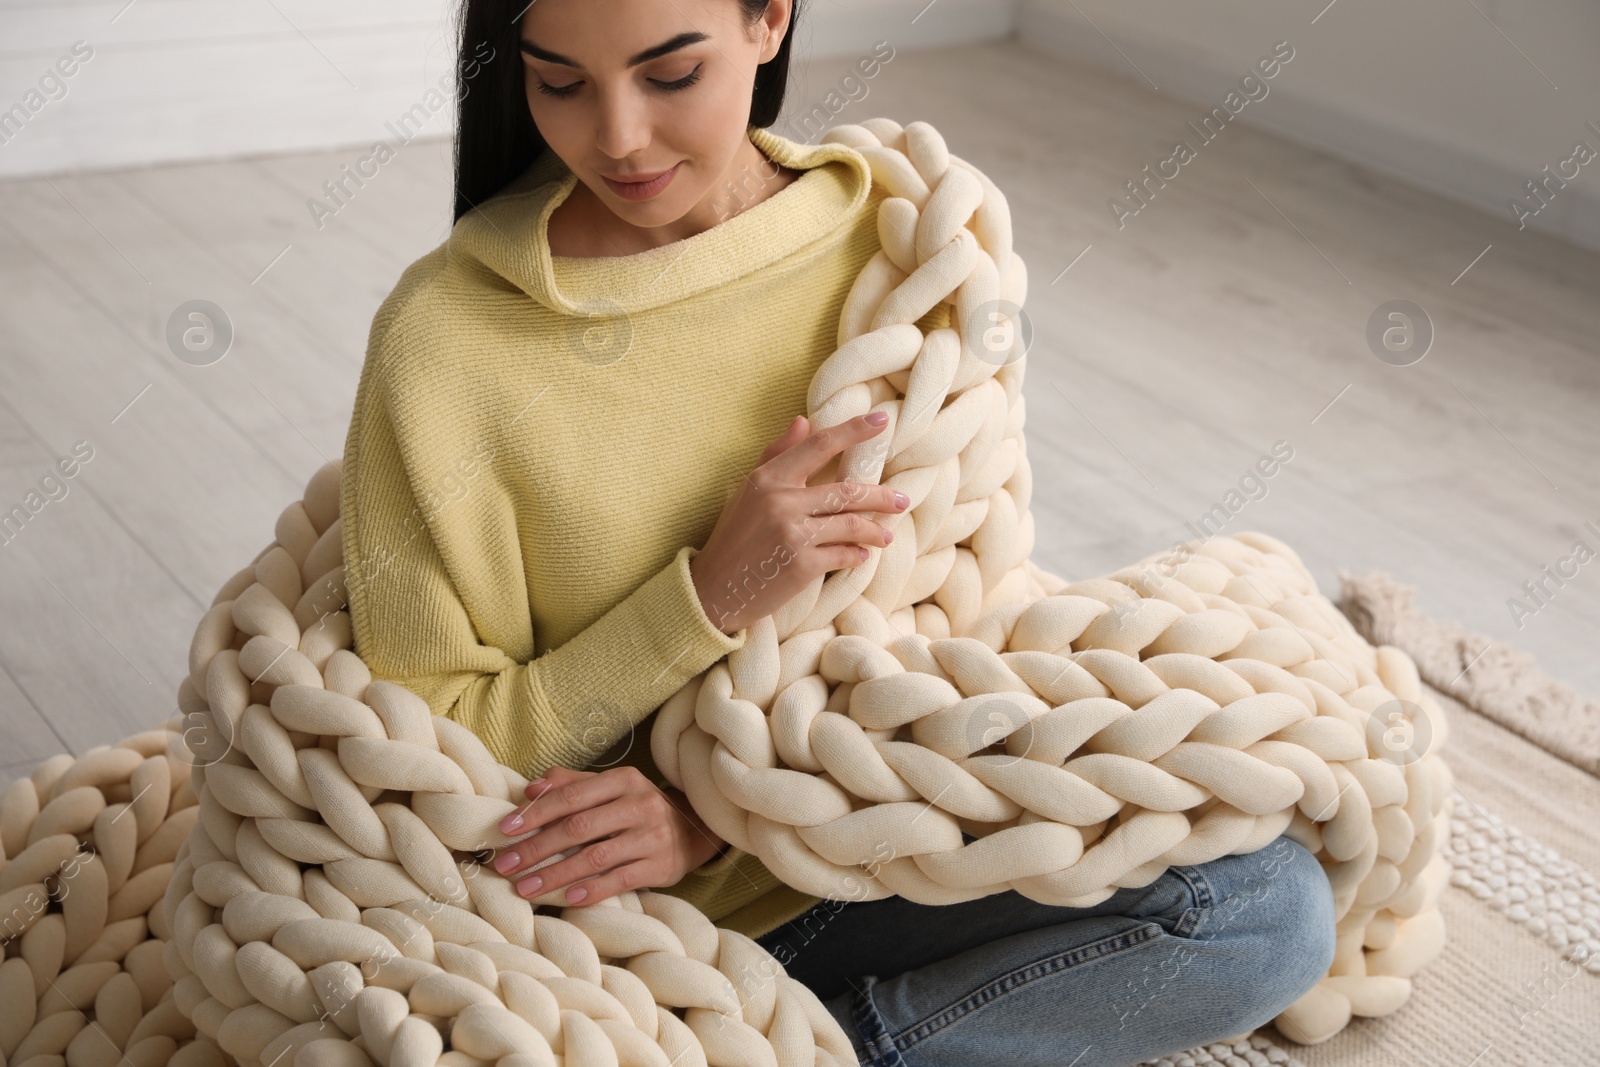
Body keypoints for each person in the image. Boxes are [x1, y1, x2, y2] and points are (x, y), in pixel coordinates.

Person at [339, 0, 1338, 1063]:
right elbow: (429, 743)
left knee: (1265, 907)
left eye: (670, 75)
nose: (619, 136)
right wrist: (705, 597)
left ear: (769, 18)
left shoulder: (910, 250)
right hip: (635, 911)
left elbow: (957, 612)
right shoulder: (443, 342)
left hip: (877, 812)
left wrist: (724, 806)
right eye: (560, 82)